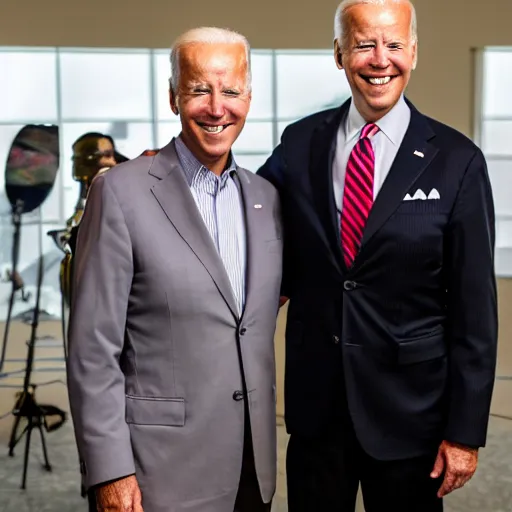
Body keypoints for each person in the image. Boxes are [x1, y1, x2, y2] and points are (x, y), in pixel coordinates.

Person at [258, 0, 498, 510]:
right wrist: (168, 173)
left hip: (412, 414)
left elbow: (476, 309)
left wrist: (465, 430)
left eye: (393, 44)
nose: (379, 59)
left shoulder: (457, 161)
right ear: (340, 54)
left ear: (413, 52)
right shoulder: (300, 142)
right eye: (365, 44)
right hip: (318, 407)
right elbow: (244, 210)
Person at [67, 27, 282, 512]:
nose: (216, 107)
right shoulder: (119, 193)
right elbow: (92, 349)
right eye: (199, 89)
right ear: (172, 96)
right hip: (157, 474)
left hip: (252, 471)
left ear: (248, 97)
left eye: (230, 91)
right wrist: (110, 471)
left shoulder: (266, 200)